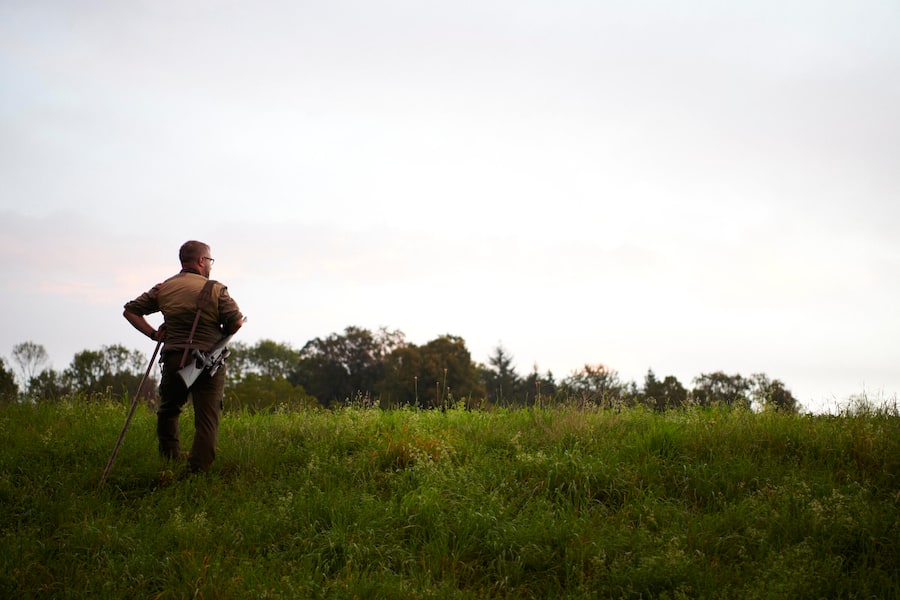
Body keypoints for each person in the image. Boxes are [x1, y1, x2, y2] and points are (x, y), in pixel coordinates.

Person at [123, 240, 244, 473]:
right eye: (209, 260)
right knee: (207, 418)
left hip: (174, 359)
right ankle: (197, 472)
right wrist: (220, 337)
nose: (210, 265)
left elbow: (130, 310)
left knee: (168, 410)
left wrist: (153, 334)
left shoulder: (163, 288)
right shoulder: (216, 289)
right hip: (209, 363)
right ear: (201, 261)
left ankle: (170, 459)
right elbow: (236, 322)